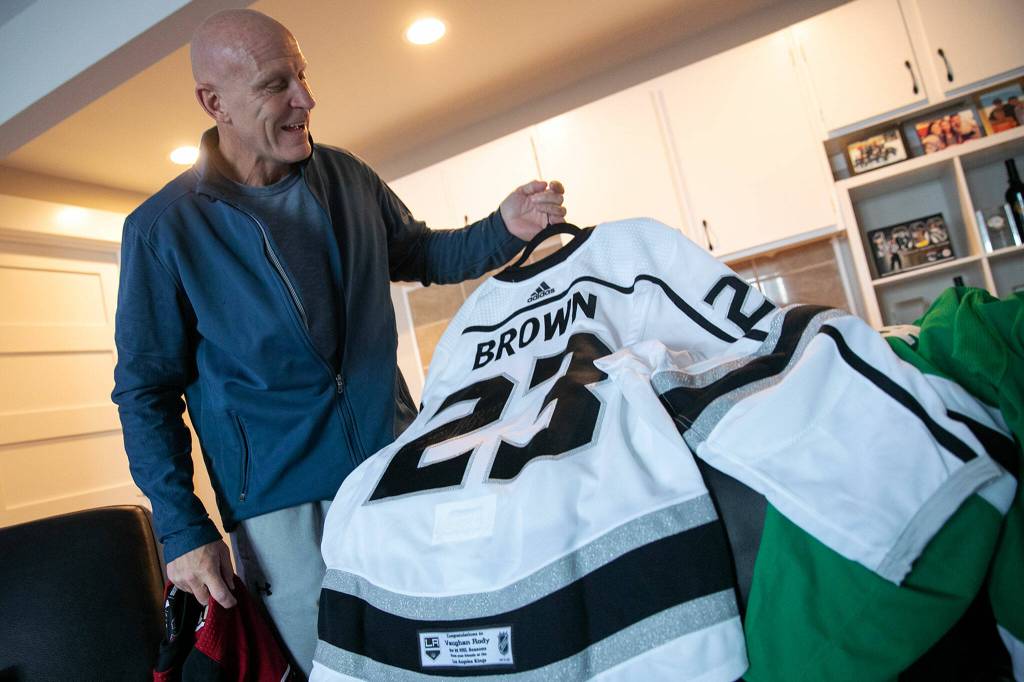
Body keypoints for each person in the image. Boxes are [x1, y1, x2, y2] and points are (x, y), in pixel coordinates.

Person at [111, 9, 566, 677]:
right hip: (282, 506)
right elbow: (144, 391)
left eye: (302, 75)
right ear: (215, 102)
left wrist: (504, 227)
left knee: (450, 639)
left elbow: (419, 253)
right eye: (276, 84)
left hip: (398, 461)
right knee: (342, 667)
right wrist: (183, 528)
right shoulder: (164, 230)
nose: (305, 99)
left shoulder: (347, 177)